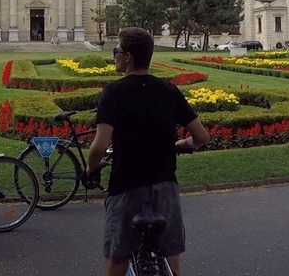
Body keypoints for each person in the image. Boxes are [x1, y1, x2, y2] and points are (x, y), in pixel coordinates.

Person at [86, 27, 210, 276]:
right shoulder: (169, 90)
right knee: (171, 263)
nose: (115, 56)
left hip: (127, 187)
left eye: (116, 51)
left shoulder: (114, 92)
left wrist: (92, 167)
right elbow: (201, 137)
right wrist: (179, 145)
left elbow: (100, 146)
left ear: (128, 56)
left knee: (116, 260)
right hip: (165, 187)